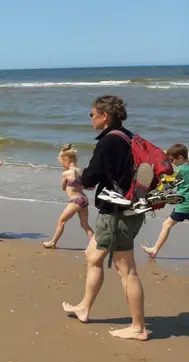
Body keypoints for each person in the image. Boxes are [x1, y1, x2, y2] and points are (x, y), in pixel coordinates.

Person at [62, 95, 148, 341]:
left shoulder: (109, 142)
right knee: (93, 256)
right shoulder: (127, 136)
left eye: (92, 114)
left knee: (127, 270)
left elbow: (90, 179)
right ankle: (84, 307)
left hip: (117, 213)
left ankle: (138, 327)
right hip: (131, 209)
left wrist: (78, 173)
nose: (91, 119)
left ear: (104, 116)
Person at [141, 144, 189, 258]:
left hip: (184, 204)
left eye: (172, 160)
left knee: (166, 225)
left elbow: (167, 183)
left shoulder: (180, 170)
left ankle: (154, 250)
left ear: (181, 158)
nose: (172, 163)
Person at [42, 144, 95, 249]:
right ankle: (94, 244)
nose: (62, 165)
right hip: (84, 199)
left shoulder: (66, 173)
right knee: (85, 225)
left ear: (66, 160)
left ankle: (53, 242)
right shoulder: (81, 171)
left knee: (61, 221)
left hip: (75, 200)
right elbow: (85, 185)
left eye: (61, 163)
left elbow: (63, 188)